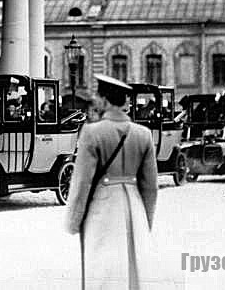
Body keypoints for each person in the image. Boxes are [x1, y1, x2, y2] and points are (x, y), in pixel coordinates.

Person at [65, 74, 159, 289]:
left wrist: (73, 221)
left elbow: (82, 183)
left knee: (103, 271)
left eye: (98, 95)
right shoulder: (143, 134)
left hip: (103, 208)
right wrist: (145, 221)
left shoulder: (91, 132)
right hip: (134, 209)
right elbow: (151, 187)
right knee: (132, 271)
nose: (96, 100)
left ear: (105, 101)